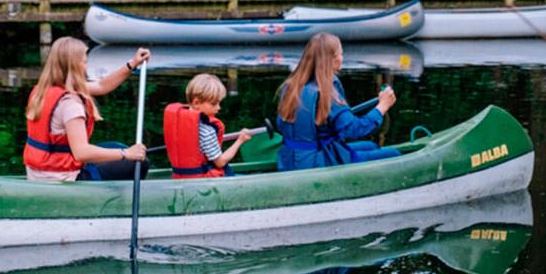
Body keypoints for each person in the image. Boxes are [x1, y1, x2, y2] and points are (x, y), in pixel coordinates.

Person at [24, 36, 150, 181]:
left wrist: (132, 64)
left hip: (38, 171)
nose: (86, 66)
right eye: (85, 62)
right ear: (75, 65)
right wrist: (126, 154)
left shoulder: (44, 90)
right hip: (61, 177)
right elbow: (81, 153)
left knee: (116, 146)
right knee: (139, 163)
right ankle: (112, 200)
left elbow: (102, 86)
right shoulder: (70, 104)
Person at [275, 33, 399, 171]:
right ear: (332, 60)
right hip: (316, 162)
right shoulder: (326, 92)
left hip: (289, 159)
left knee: (371, 146)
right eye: (341, 53)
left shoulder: (290, 86)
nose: (342, 58)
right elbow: (355, 129)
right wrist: (382, 107)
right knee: (394, 154)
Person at [162, 73, 251, 179]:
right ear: (196, 103)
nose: (218, 108)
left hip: (181, 177)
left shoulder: (180, 121)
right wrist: (240, 140)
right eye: (214, 104)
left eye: (219, 103)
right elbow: (220, 162)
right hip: (204, 182)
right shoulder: (206, 130)